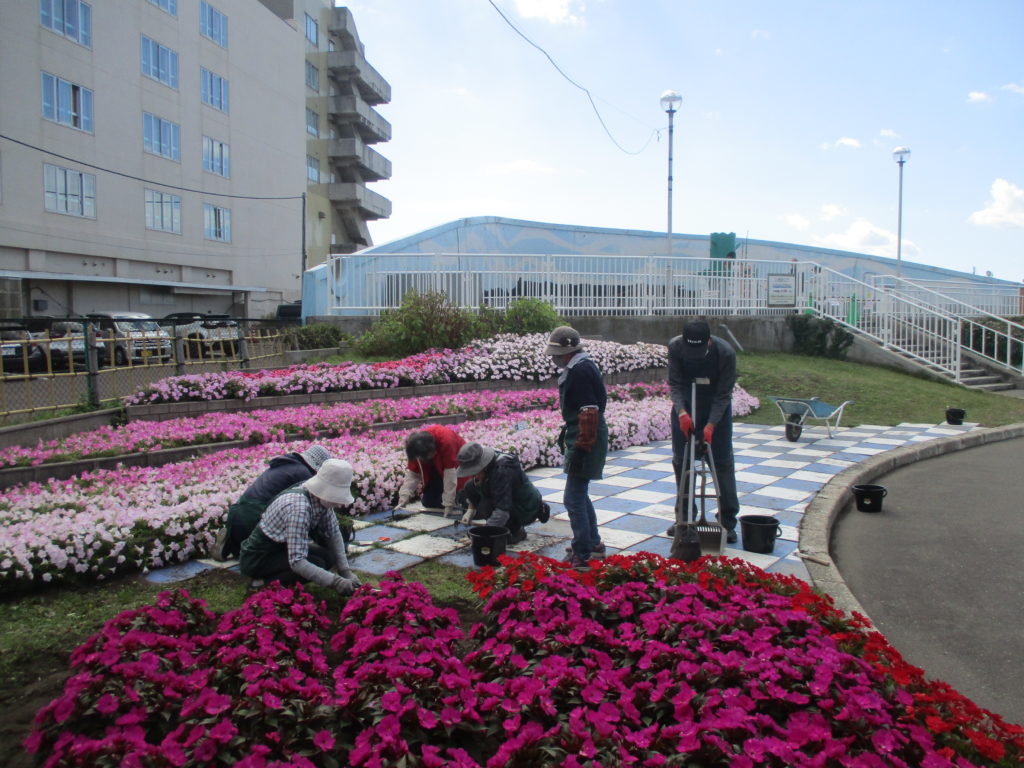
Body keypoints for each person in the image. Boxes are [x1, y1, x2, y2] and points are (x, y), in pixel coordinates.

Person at [239, 459, 361, 594]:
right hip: (259, 558)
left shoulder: (320, 499)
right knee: (317, 563)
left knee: (328, 557)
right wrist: (335, 582)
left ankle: (275, 578)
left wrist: (345, 571)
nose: (339, 504)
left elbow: (333, 533)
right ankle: (261, 584)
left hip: (281, 549)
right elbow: (297, 561)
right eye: (336, 496)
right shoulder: (299, 508)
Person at [668, 318, 740, 545]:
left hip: (716, 411)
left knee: (722, 464)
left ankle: (727, 522)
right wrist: (681, 412)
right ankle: (684, 519)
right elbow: (675, 384)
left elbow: (724, 394)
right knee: (682, 464)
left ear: (708, 341)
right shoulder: (676, 347)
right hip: (686, 411)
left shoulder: (725, 353)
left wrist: (711, 425)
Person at [543, 326, 608, 568]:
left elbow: (589, 411)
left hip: (586, 437)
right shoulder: (581, 366)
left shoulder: (580, 370)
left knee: (572, 498)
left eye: (555, 354)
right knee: (579, 493)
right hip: (583, 435)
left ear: (567, 351)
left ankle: (583, 552)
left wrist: (581, 448)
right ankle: (593, 543)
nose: (553, 358)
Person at [209, 445, 332, 561]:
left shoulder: (287, 463)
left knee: (241, 547)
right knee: (268, 552)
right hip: (256, 516)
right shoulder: (304, 474)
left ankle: (228, 545)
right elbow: (309, 511)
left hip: (237, 513)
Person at [456, 442, 550, 544]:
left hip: (526, 507)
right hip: (510, 498)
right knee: (470, 486)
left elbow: (502, 511)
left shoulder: (502, 471)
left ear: (482, 466)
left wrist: (483, 535)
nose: (474, 475)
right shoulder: (490, 463)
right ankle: (498, 524)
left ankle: (515, 531)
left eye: (474, 472)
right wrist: (471, 509)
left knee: (486, 506)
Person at [396, 425, 468, 517]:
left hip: (458, 469)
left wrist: (449, 503)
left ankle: (458, 497)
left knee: (450, 502)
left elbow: (450, 474)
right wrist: (404, 495)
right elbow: (413, 473)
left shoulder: (446, 440)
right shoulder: (415, 447)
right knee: (429, 502)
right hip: (436, 469)